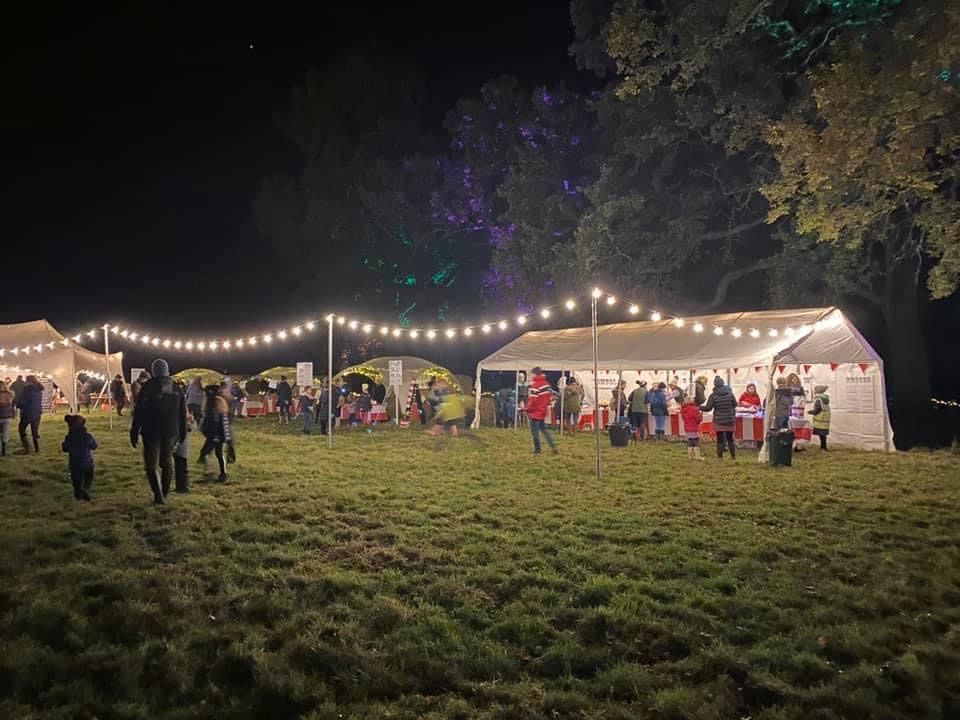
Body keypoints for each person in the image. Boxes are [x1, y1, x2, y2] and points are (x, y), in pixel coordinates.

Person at [130, 359, 187, 505]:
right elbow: (182, 413)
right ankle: (164, 493)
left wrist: (134, 431)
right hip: (171, 431)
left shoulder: (148, 387)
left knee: (151, 465)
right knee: (166, 462)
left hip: (151, 430)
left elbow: (139, 411)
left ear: (154, 371)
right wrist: (182, 433)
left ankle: (159, 496)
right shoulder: (177, 388)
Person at [199, 384, 231, 481]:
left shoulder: (217, 401)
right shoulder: (213, 401)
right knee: (209, 452)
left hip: (217, 433)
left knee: (215, 452)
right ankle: (212, 471)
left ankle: (220, 473)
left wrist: (216, 435)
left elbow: (218, 420)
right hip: (214, 432)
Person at [61, 414, 97, 501]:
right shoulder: (87, 437)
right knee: (88, 479)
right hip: (88, 464)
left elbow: (65, 449)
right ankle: (86, 489)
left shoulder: (69, 438)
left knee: (76, 482)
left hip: (74, 464)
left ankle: (78, 496)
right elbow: (94, 446)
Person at [701, 376, 737, 459]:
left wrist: (699, 407)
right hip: (729, 419)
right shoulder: (730, 394)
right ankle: (733, 456)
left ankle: (720, 456)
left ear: (715, 385)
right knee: (730, 438)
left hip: (718, 419)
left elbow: (708, 408)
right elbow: (735, 404)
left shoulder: (713, 395)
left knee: (720, 438)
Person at [526, 366, 556, 454]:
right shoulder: (546, 384)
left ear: (534, 374)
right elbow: (549, 396)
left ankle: (537, 449)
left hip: (535, 412)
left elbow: (532, 400)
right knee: (544, 431)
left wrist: (527, 408)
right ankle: (553, 446)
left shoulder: (535, 386)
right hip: (543, 411)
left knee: (535, 432)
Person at [16, 375, 44, 454]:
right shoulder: (39, 389)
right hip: (37, 412)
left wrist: (18, 405)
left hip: (28, 412)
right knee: (35, 431)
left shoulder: (27, 389)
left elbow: (23, 401)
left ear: (28, 381)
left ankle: (27, 448)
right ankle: (37, 448)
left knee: (21, 429)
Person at [174, 411, 195, 493]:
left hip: (179, 434)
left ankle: (182, 486)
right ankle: (182, 486)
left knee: (180, 461)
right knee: (180, 461)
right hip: (178, 434)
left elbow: (189, 425)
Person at [681, 396, 704, 461]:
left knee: (690, 440)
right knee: (696, 441)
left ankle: (690, 456)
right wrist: (701, 416)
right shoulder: (694, 409)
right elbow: (698, 419)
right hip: (693, 427)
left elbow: (684, 418)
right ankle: (697, 456)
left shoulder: (683, 409)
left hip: (687, 427)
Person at [810, 384, 831, 450]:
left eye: (815, 390)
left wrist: (811, 412)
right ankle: (823, 446)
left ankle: (823, 447)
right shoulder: (825, 398)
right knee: (823, 434)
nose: (814, 391)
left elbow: (817, 410)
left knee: (821, 434)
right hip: (825, 419)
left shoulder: (818, 399)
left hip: (820, 419)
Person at [0, 380, 15, 456]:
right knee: (5, 434)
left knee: (4, 434)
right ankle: (3, 450)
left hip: (5, 416)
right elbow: (12, 405)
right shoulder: (10, 394)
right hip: (7, 416)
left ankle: (3, 450)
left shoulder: (9, 394)